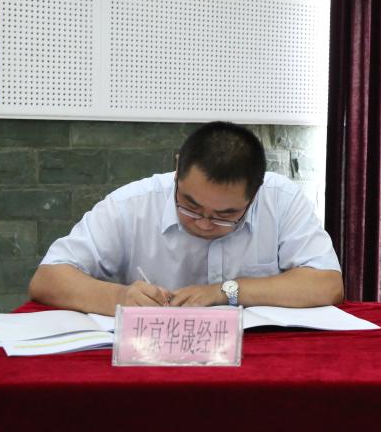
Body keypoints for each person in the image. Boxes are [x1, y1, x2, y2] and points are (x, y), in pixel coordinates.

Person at [29, 121, 343, 315]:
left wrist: (225, 291)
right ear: (177, 171)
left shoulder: (281, 200)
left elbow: (326, 284)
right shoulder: (133, 204)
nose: (204, 223)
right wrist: (120, 296)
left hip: (256, 359)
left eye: (226, 215)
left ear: (256, 193)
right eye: (190, 206)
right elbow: (48, 278)